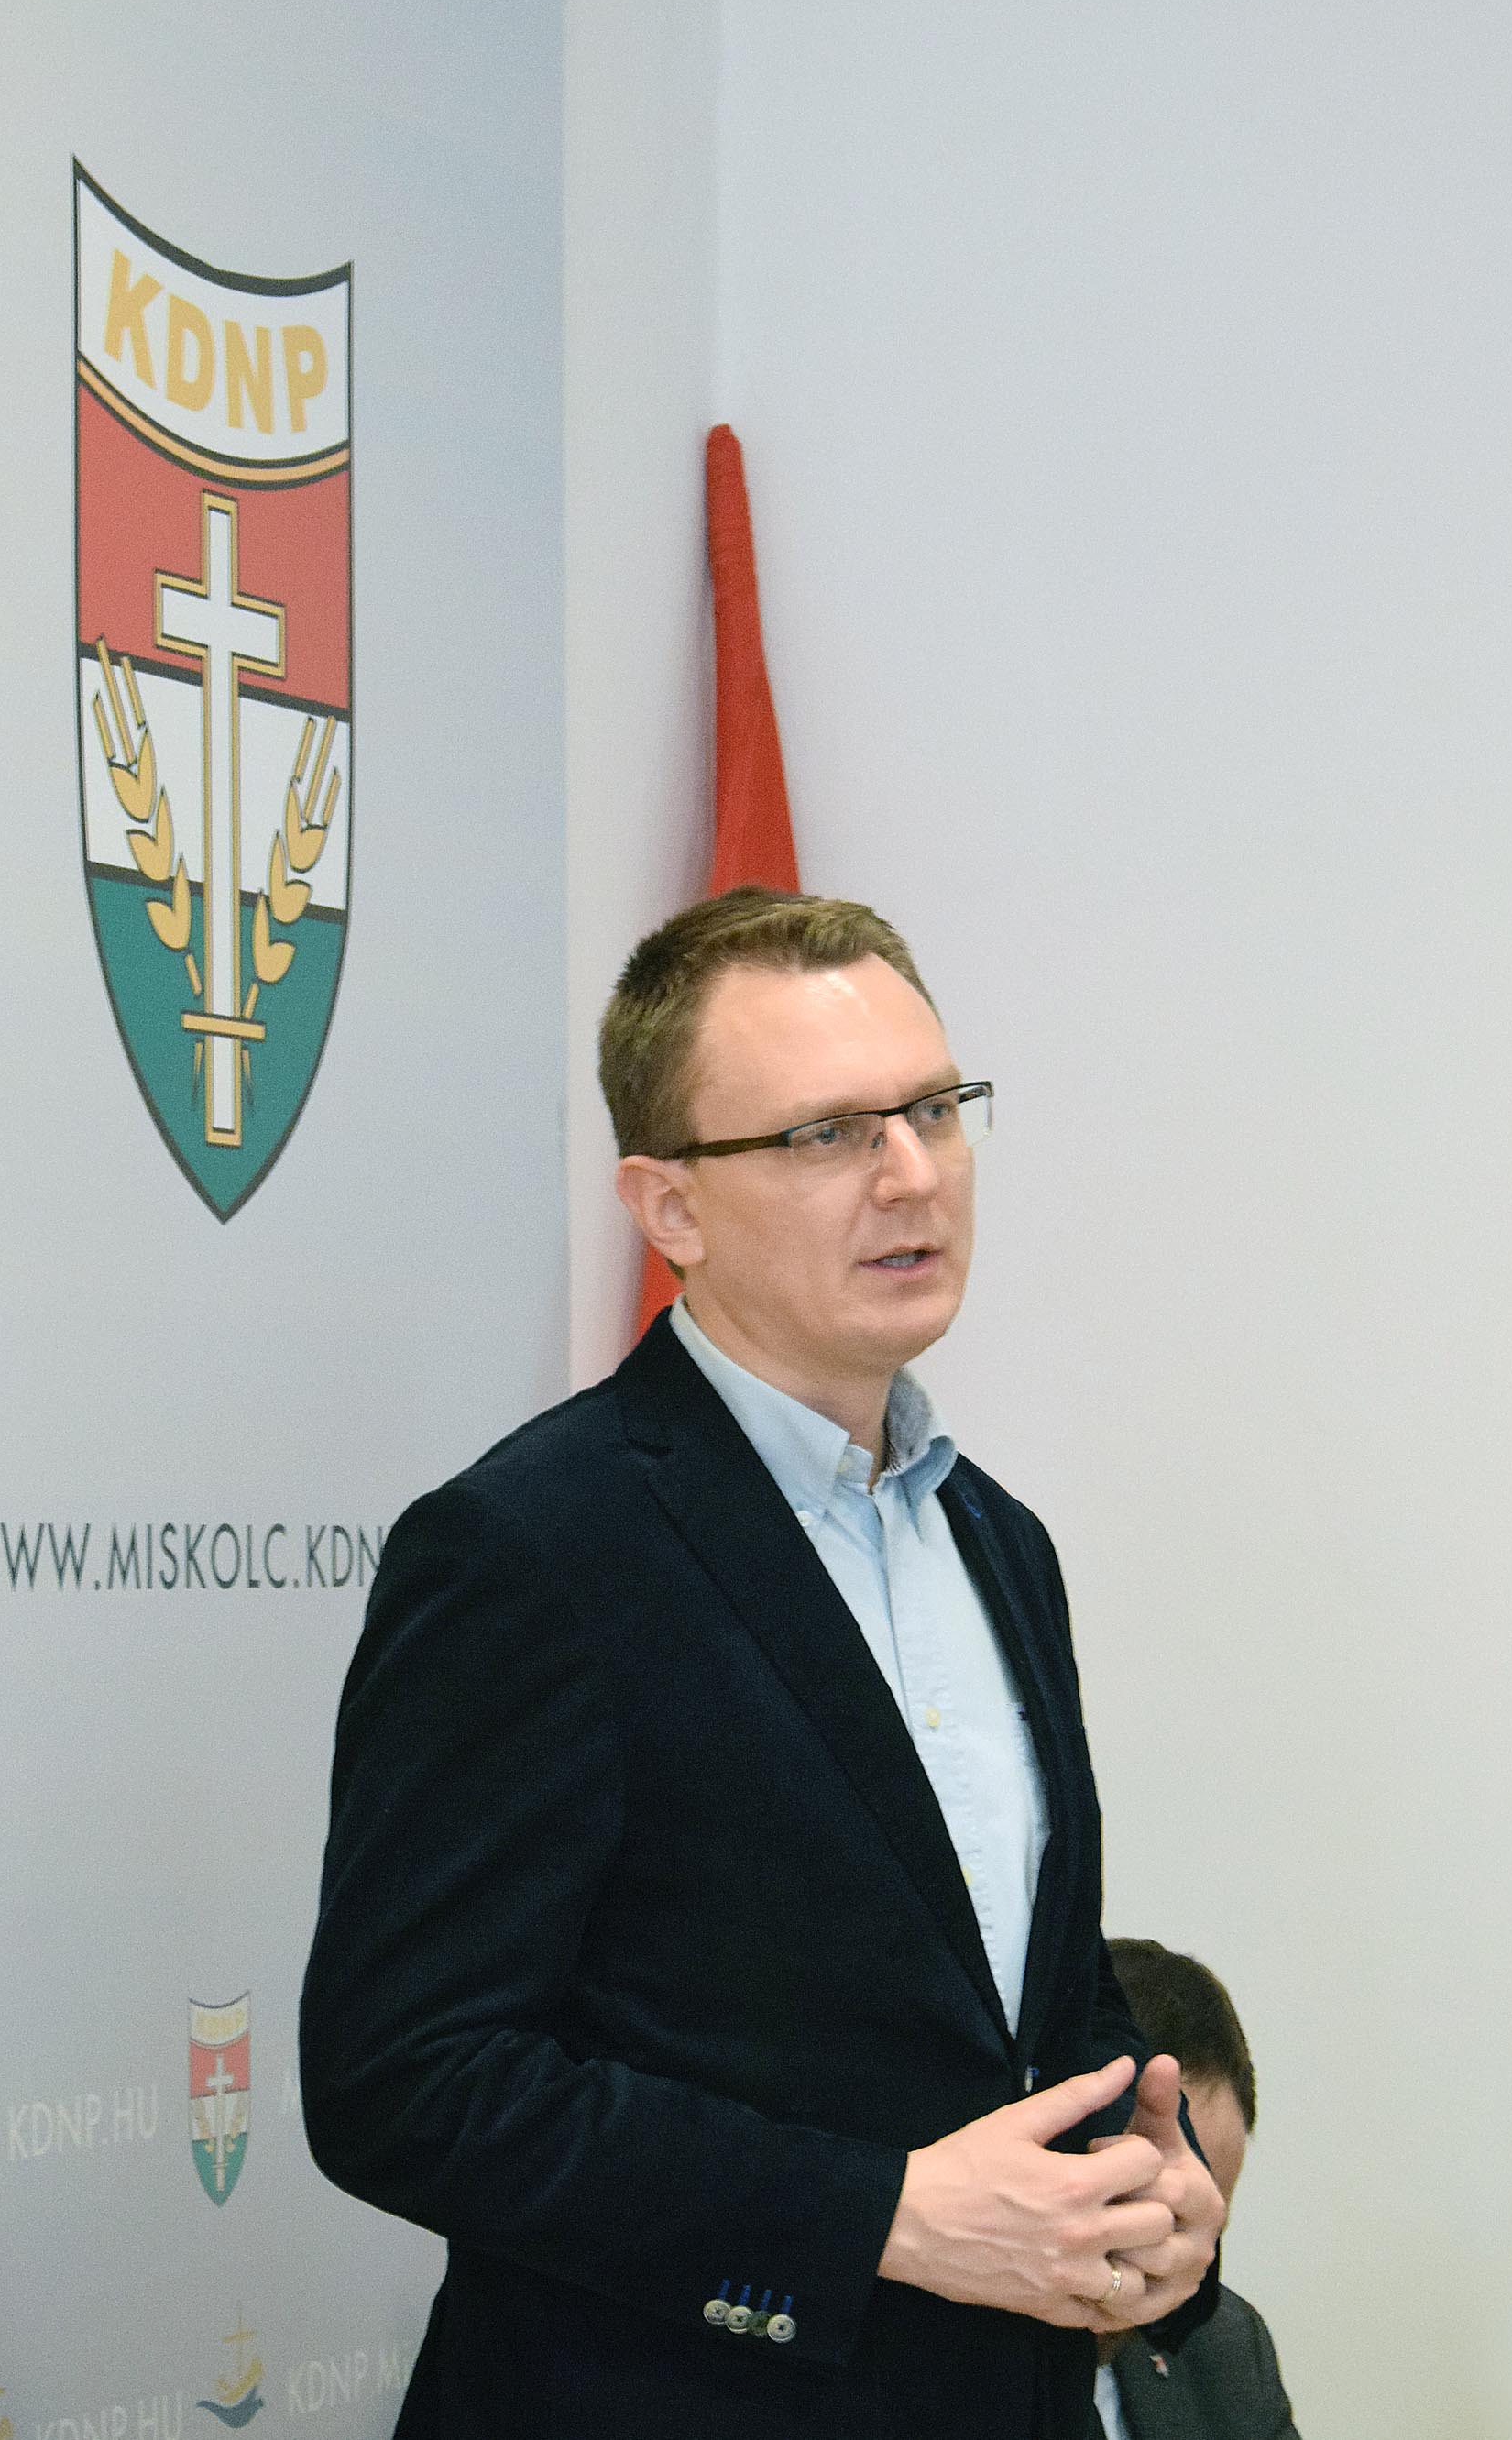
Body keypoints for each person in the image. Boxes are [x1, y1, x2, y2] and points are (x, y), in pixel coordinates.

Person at [300, 887, 1224, 2439]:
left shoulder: (1001, 1542)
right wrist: (874, 2218)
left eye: (935, 1109)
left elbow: (1017, 2011)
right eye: (827, 1134)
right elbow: (407, 2080)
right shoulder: (531, 1549)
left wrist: (1150, 2198)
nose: (912, 1172)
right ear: (669, 1208)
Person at [1089, 1941, 1300, 2440]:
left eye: (1201, 2229)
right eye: (1141, 2219)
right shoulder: (915, 2367)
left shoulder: (1227, 2349)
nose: (1165, 2268)